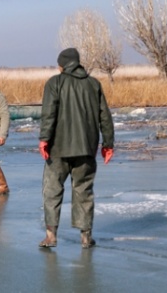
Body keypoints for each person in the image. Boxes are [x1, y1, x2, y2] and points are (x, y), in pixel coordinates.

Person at [38, 48, 114, 249]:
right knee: (84, 190)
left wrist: (44, 138)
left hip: (58, 149)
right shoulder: (93, 84)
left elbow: (49, 113)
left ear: (62, 65)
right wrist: (108, 144)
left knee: (52, 191)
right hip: (86, 148)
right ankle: (86, 237)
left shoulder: (55, 82)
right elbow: (104, 116)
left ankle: (50, 236)